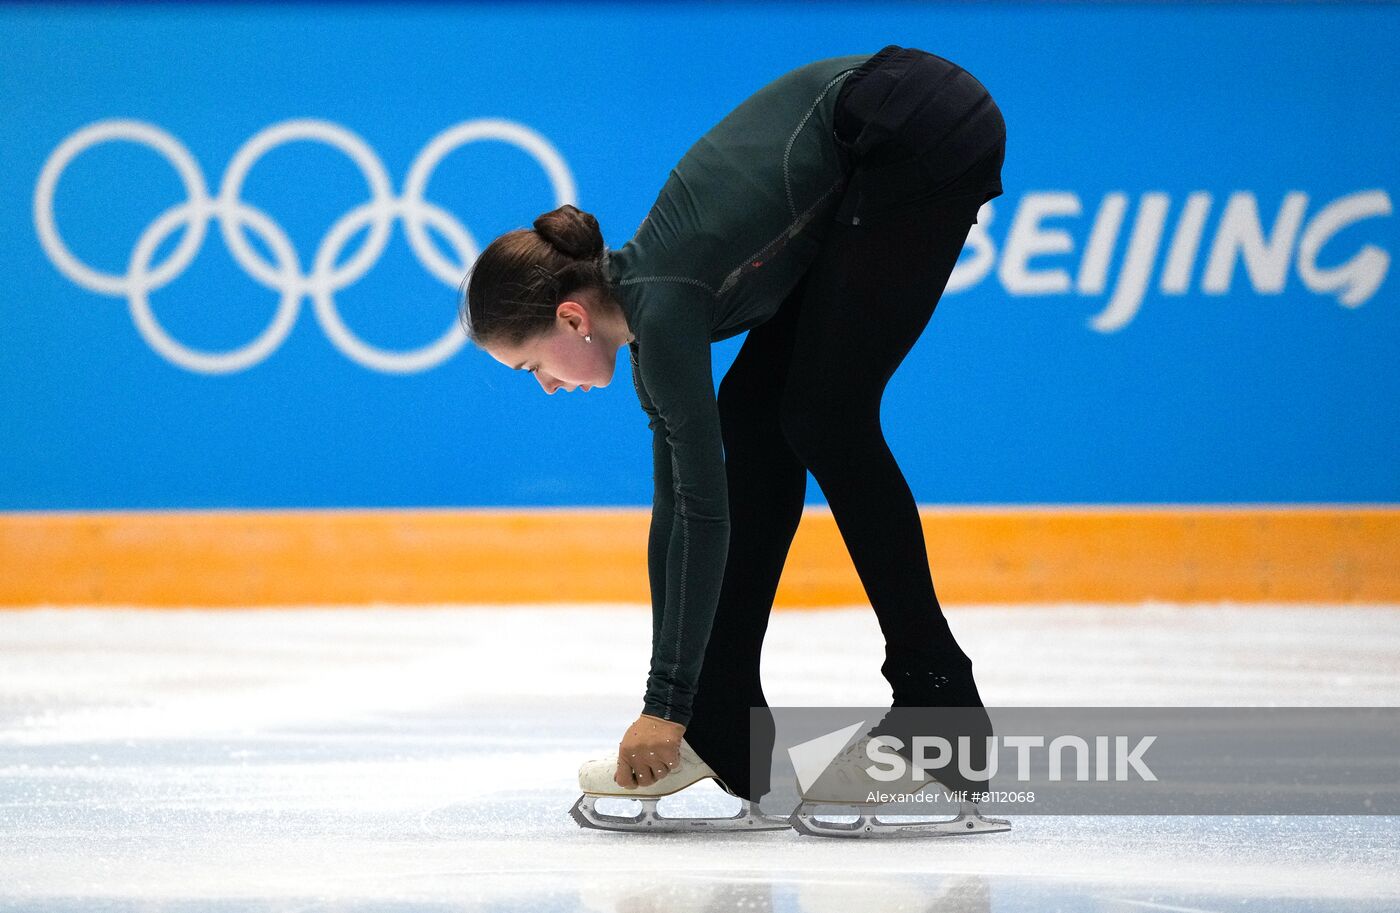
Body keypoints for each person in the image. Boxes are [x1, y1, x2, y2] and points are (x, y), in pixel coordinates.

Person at [460, 44, 1006, 806]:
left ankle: (939, 711)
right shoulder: (650, 320)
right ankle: (724, 725)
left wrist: (662, 702)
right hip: (873, 141)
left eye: (532, 367)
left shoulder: (666, 298)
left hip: (912, 119)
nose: (547, 386)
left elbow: (708, 513)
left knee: (825, 416)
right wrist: (675, 705)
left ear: (571, 316)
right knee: (755, 419)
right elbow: (673, 517)